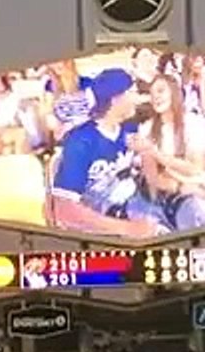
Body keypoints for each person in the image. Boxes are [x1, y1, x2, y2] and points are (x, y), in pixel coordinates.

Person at [47, 68, 167, 238]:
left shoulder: (129, 130)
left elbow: (152, 187)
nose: (136, 99)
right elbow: (63, 210)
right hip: (103, 227)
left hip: (137, 207)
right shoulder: (81, 141)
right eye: (131, 92)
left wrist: (147, 153)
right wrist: (127, 228)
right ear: (116, 99)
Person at [135, 72, 205, 230]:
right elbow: (152, 179)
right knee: (191, 208)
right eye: (151, 94)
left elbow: (195, 168)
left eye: (161, 91)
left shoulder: (192, 123)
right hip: (168, 195)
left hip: (199, 187)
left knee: (202, 211)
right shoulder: (146, 129)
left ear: (174, 92)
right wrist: (178, 188)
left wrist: (158, 155)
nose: (155, 97)